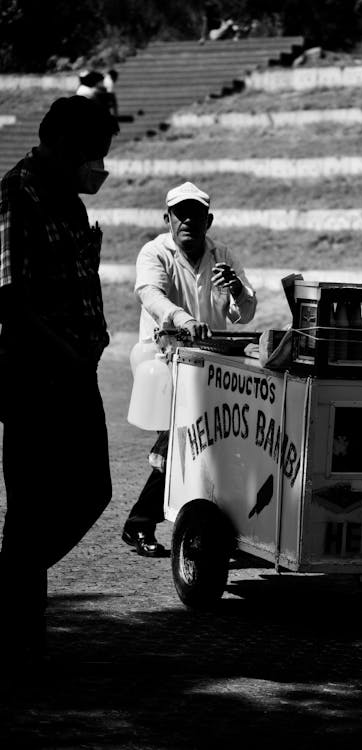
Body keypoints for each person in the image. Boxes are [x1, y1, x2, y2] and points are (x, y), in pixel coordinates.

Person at [0, 96, 119, 660]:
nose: (99, 166)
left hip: (79, 371)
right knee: (31, 506)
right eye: (95, 153)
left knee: (92, 490)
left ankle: (12, 596)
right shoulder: (14, 194)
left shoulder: (68, 201)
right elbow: (10, 299)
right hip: (33, 377)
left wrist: (85, 353)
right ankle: (22, 637)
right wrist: (64, 354)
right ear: (67, 146)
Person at [122, 181, 256, 557]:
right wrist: (182, 319)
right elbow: (150, 294)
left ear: (208, 220)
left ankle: (149, 523)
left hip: (210, 360)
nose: (188, 221)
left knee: (211, 440)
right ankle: (141, 523)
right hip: (162, 357)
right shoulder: (155, 252)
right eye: (181, 214)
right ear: (168, 218)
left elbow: (245, 312)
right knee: (181, 438)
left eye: (196, 215)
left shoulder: (222, 255)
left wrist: (238, 292)